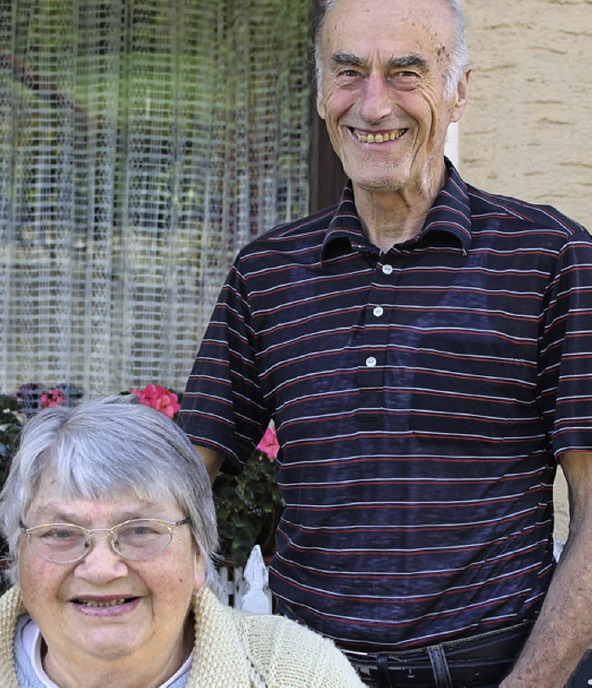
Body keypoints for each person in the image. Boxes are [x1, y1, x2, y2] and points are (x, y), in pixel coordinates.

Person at [177, 0, 592, 686]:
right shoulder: (267, 272)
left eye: (406, 73)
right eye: (348, 72)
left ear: (458, 90)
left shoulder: (552, 259)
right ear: (319, 91)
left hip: (495, 669)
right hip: (307, 673)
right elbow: (180, 479)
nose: (373, 105)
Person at [0, 395, 363, 687]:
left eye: (140, 530)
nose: (100, 569)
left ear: (199, 552)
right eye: (61, 533)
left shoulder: (300, 673)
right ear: (16, 554)